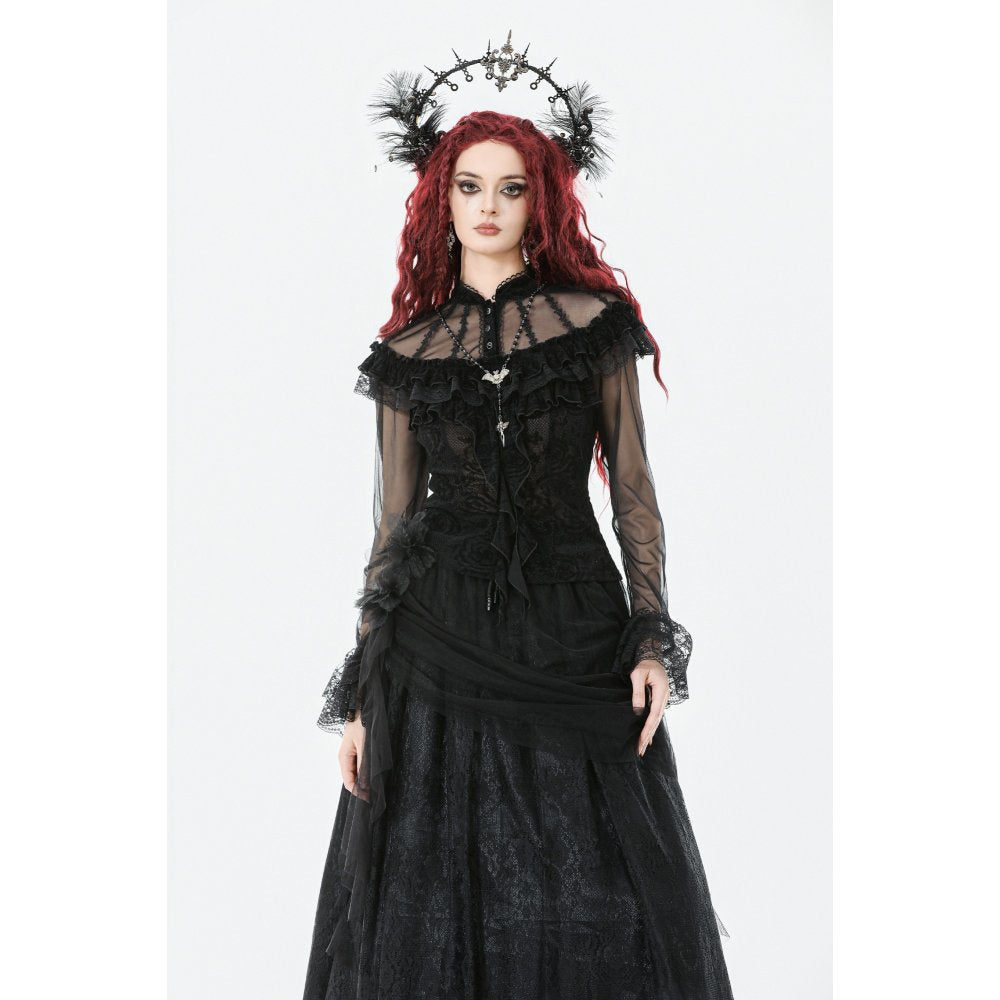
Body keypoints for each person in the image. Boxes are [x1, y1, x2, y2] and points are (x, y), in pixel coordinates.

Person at [302, 40, 734, 1000]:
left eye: (510, 188)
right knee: (433, 884)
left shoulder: (594, 326)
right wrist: (365, 692)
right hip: (434, 633)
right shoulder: (409, 352)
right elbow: (394, 525)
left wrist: (650, 637)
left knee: (598, 887)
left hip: (575, 624)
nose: (488, 206)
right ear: (442, 200)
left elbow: (632, 490)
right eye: (469, 187)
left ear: (541, 202)